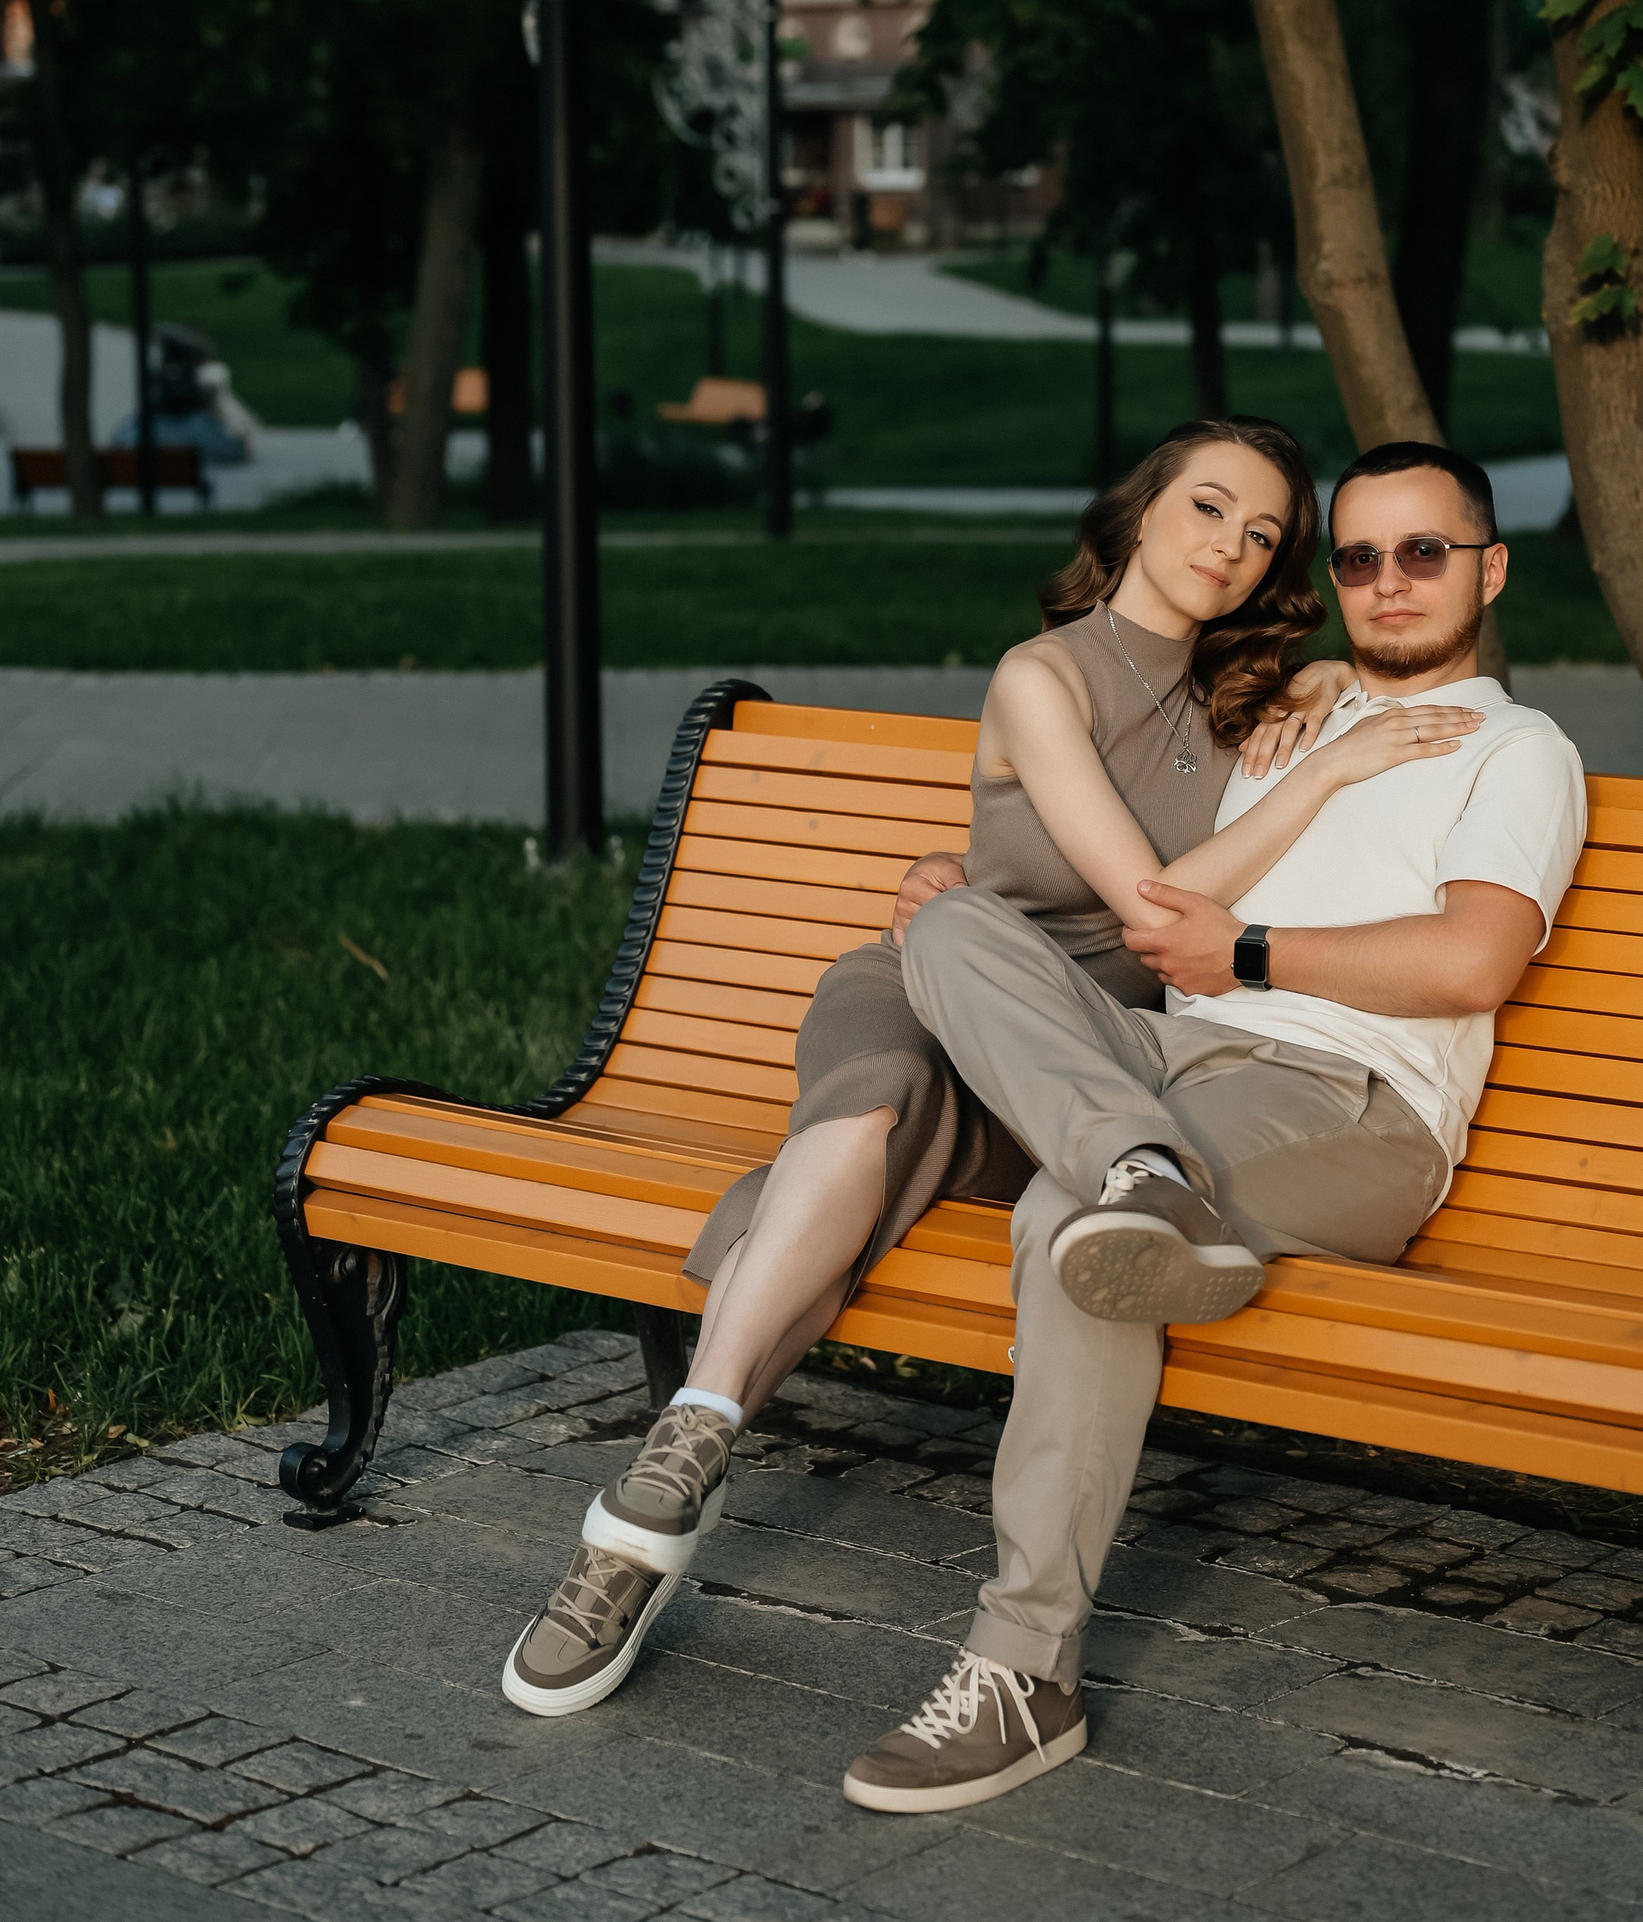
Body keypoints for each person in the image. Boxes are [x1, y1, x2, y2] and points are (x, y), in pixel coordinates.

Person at [504, 414, 1432, 1716]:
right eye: (1209, 506)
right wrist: (1316, 783)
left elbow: (1202, 896)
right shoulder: (1042, 674)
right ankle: (678, 1460)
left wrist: (1322, 691)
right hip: (941, 983)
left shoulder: (1256, 699)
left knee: (857, 1164)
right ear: (1142, 509)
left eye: (1264, 532)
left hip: (1066, 1063)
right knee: (871, 1108)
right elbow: (1151, 906)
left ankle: (646, 1521)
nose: (1231, 544)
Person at [836, 439, 1587, 1813]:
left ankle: (1024, 1673)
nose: (1390, 579)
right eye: (1357, 556)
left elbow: (1471, 961)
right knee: (951, 929)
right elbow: (1126, 888)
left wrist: (1244, 953)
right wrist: (952, 866)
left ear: (1490, 571)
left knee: (1077, 1217)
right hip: (1172, 1061)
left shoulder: (1518, 750)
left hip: (1349, 1100)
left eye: (1425, 552)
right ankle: (1142, 1164)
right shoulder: (1286, 721)